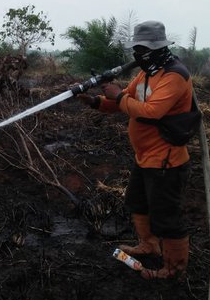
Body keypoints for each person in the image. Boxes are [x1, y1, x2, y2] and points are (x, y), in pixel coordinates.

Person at [77, 21, 193, 279]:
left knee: (166, 215)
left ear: (156, 48)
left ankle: (174, 268)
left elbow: (152, 112)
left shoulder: (175, 75)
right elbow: (124, 102)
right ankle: (148, 245)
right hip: (145, 157)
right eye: (136, 49)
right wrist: (96, 101)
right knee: (138, 202)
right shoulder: (146, 74)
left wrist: (118, 96)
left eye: (141, 49)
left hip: (166, 160)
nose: (136, 55)